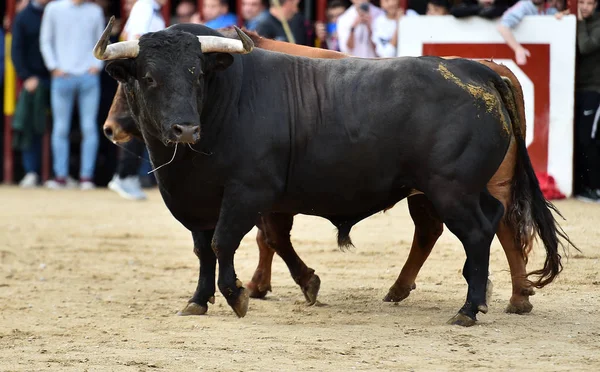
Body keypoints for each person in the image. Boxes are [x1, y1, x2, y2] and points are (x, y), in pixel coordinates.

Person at [40, 0, 106, 190]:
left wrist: (97, 65)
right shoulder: (54, 8)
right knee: (61, 128)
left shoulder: (94, 11)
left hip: (88, 76)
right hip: (62, 76)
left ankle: (86, 177)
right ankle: (61, 176)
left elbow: (100, 41)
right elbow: (46, 40)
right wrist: (54, 67)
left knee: (89, 127)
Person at [108, 0, 166, 201]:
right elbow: (138, 39)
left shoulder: (148, 7)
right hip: (142, 74)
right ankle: (125, 175)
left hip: (144, 73)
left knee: (140, 125)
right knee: (136, 124)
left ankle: (127, 175)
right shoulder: (145, 5)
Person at [11, 0, 52, 188]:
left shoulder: (56, 11)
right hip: (33, 81)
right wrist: (26, 77)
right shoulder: (23, 16)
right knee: (29, 126)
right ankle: (31, 171)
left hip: (58, 77)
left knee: (60, 127)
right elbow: (16, 50)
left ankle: (58, 174)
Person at [573, 0, 600, 201]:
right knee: (579, 140)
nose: (584, 7)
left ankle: (595, 187)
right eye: (581, 2)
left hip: (595, 90)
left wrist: (578, 22)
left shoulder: (597, 24)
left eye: (589, 3)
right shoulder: (577, 21)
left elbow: (585, 46)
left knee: (587, 139)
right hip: (578, 90)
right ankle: (585, 187)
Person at [497, 0, 567, 65]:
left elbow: (562, 18)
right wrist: (518, 48)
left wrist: (562, 15)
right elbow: (502, 27)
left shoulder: (549, 9)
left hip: (542, 59)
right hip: (530, 58)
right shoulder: (524, 6)